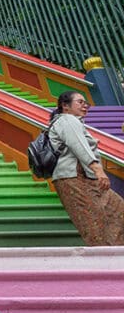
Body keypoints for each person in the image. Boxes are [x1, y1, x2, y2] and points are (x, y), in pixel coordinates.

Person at [47, 91, 124, 245]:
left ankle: (115, 251)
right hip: (73, 178)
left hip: (87, 178)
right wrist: (98, 170)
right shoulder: (67, 120)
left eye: (86, 103)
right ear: (65, 106)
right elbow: (79, 146)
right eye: (80, 102)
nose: (85, 106)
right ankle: (104, 261)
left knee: (116, 210)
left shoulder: (73, 122)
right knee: (92, 223)